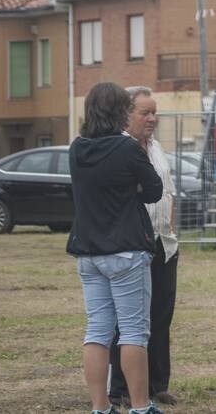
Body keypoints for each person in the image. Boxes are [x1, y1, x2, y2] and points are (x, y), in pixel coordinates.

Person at [68, 82, 163, 414]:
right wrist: (130, 188)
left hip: (88, 251)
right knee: (134, 331)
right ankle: (140, 406)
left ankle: (100, 406)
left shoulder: (77, 148)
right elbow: (154, 190)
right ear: (120, 113)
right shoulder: (127, 149)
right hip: (125, 250)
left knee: (97, 330)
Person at [110, 88, 179, 408]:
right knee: (128, 321)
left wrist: (172, 233)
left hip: (164, 245)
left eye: (155, 113)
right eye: (144, 113)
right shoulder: (118, 150)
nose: (152, 119)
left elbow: (169, 192)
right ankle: (121, 389)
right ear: (126, 115)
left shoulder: (158, 148)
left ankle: (157, 384)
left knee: (161, 317)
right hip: (133, 246)